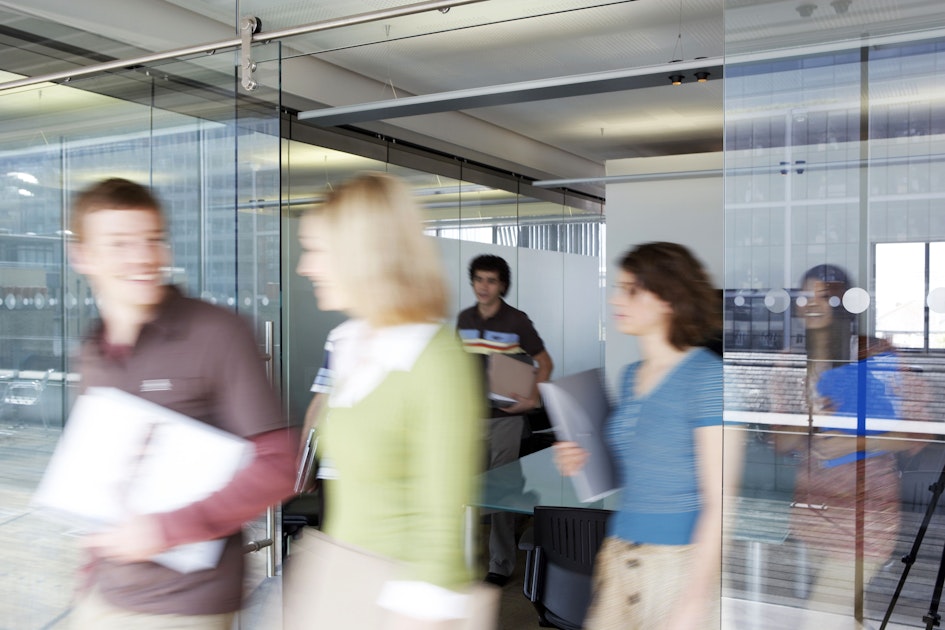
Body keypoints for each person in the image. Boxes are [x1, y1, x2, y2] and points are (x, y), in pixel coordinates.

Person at [66, 178, 296, 629]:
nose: (143, 257)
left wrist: (165, 529)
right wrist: (90, 567)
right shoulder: (93, 350)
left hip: (185, 605)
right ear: (83, 257)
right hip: (103, 592)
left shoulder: (218, 332)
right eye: (120, 244)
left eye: (153, 239)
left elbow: (279, 465)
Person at [294, 172, 484, 626]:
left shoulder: (432, 357)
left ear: (361, 254)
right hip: (347, 581)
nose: (305, 267)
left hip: (403, 600)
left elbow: (440, 522)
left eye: (317, 250)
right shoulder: (349, 341)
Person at [554, 242, 725, 629]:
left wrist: (695, 600)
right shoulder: (631, 375)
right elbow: (642, 468)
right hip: (619, 553)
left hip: (675, 566)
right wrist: (582, 460)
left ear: (668, 299)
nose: (615, 299)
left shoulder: (708, 377)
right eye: (619, 288)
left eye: (631, 290)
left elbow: (721, 503)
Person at [772, 264, 930, 624]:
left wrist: (854, 444)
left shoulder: (874, 354)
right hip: (812, 515)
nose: (812, 304)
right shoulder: (790, 361)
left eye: (824, 297)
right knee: (848, 615)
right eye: (805, 296)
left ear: (844, 304)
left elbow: (919, 431)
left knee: (820, 618)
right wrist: (807, 416)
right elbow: (780, 443)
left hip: (866, 516)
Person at [457, 254, 553, 587]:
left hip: (505, 419)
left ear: (502, 286)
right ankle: (518, 503)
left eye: (491, 280)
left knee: (498, 491)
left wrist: (532, 397)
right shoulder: (465, 320)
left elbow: (544, 362)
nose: (484, 286)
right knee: (468, 488)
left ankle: (500, 563)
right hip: (470, 418)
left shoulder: (516, 321)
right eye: (479, 279)